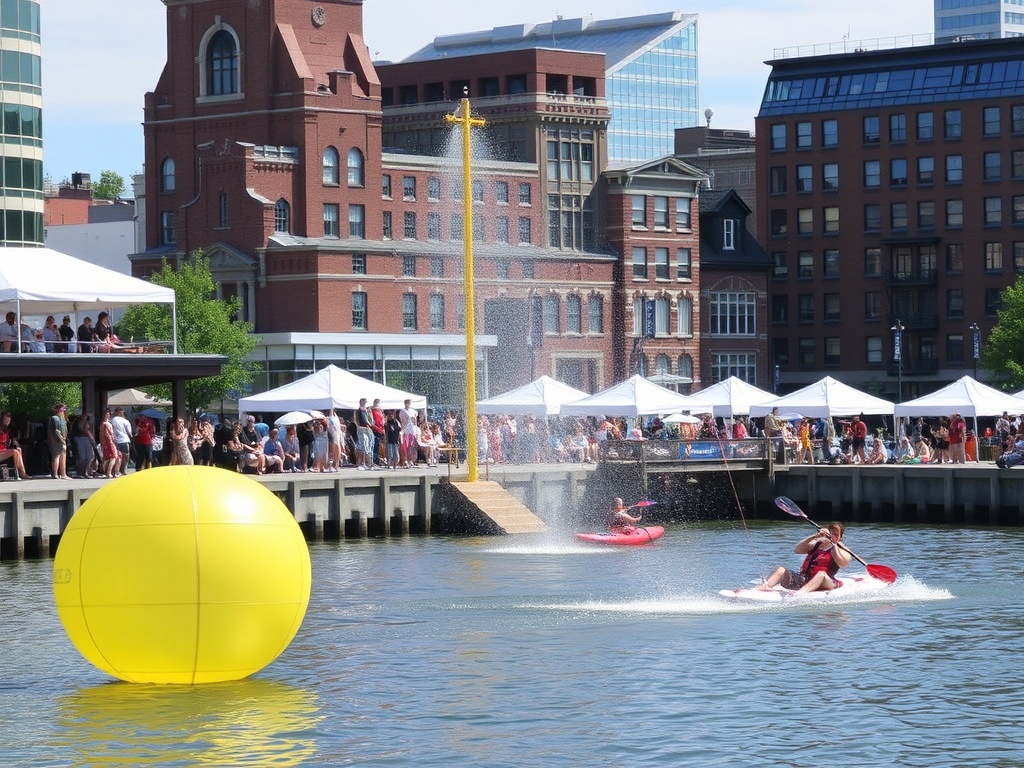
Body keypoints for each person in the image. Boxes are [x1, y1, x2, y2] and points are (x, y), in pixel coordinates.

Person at [759, 522, 852, 593]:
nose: (832, 536)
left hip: (827, 582)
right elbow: (797, 550)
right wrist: (815, 536)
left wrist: (834, 546)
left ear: (841, 537)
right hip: (805, 580)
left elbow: (842, 564)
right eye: (831, 533)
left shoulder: (843, 550)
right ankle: (764, 587)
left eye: (836, 534)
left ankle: (801, 593)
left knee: (822, 574)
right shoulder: (818, 545)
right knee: (781, 570)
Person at [0, 411, 32, 479]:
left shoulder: (6, 430)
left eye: (9, 420)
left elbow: (10, 441)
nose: (7, 422)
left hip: (3, 451)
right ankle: (17, 473)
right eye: (6, 419)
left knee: (18, 450)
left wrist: (16, 444)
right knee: (15, 452)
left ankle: (21, 472)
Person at [47, 402, 70, 480]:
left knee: (63, 457)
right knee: (56, 456)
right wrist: (62, 440)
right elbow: (56, 431)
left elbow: (65, 431)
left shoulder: (63, 419)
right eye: (62, 408)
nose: (64, 410)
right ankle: (55, 474)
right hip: (57, 440)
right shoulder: (55, 418)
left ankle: (63, 474)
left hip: (62, 439)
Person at [110, 407, 133, 476]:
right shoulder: (125, 421)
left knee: (116, 456)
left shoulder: (112, 420)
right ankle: (122, 470)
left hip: (115, 440)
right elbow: (129, 432)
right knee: (125, 456)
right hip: (124, 440)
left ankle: (116, 470)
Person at [99, 410, 118, 478]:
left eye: (108, 414)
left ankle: (109, 471)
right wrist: (112, 441)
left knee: (110, 457)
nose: (108, 415)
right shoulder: (104, 424)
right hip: (109, 441)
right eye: (106, 414)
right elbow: (106, 434)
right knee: (113, 456)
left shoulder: (108, 423)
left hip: (110, 441)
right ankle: (108, 472)